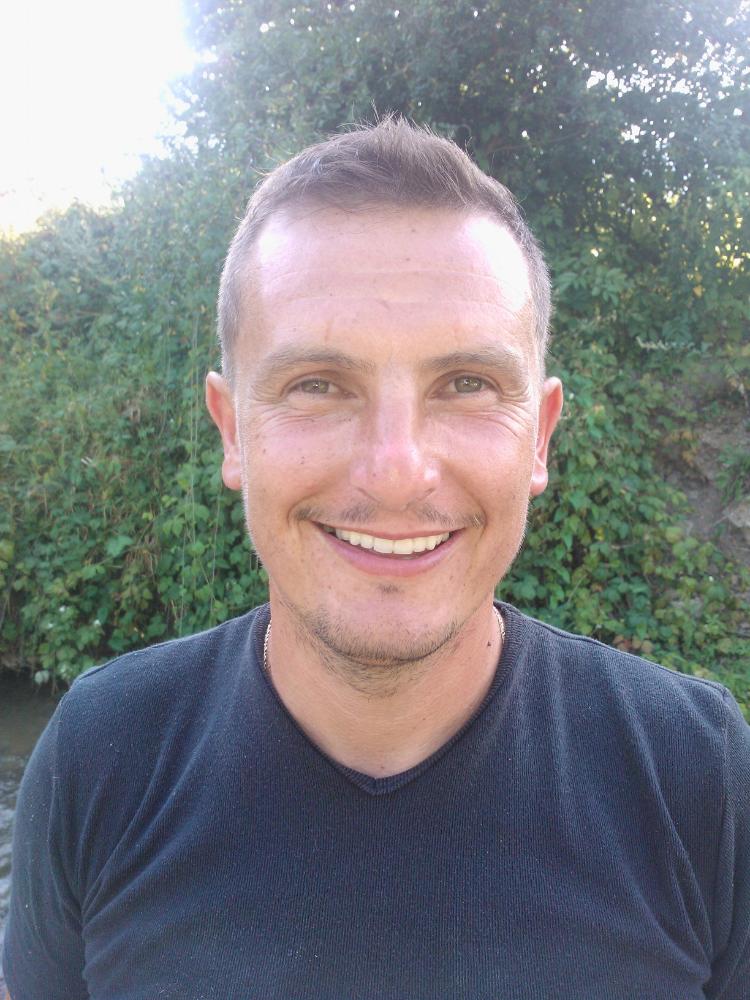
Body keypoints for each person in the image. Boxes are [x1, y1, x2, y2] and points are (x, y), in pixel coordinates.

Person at [3, 118, 749, 1000]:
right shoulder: (101, 755)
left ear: (539, 437)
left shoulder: (697, 774)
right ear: (232, 431)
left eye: (466, 385)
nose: (397, 471)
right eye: (318, 385)